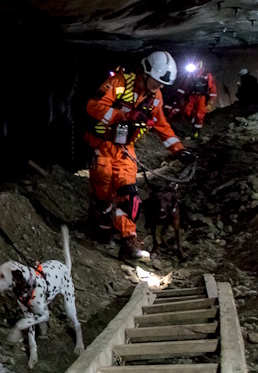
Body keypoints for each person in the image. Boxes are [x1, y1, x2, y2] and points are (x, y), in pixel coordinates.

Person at [85, 51, 193, 261]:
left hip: (125, 148)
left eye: (163, 83)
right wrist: (122, 115)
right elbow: (93, 106)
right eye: (157, 81)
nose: (160, 86)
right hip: (102, 144)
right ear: (145, 73)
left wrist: (179, 150)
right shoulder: (119, 83)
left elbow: (161, 125)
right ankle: (100, 225)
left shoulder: (155, 97)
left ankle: (129, 240)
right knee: (103, 193)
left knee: (129, 195)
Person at [177, 60, 217, 138]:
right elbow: (185, 84)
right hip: (192, 96)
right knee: (187, 111)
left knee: (199, 114)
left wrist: (211, 100)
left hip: (202, 97)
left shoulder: (207, 74)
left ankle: (196, 131)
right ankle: (192, 124)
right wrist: (180, 95)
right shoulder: (191, 75)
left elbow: (212, 88)